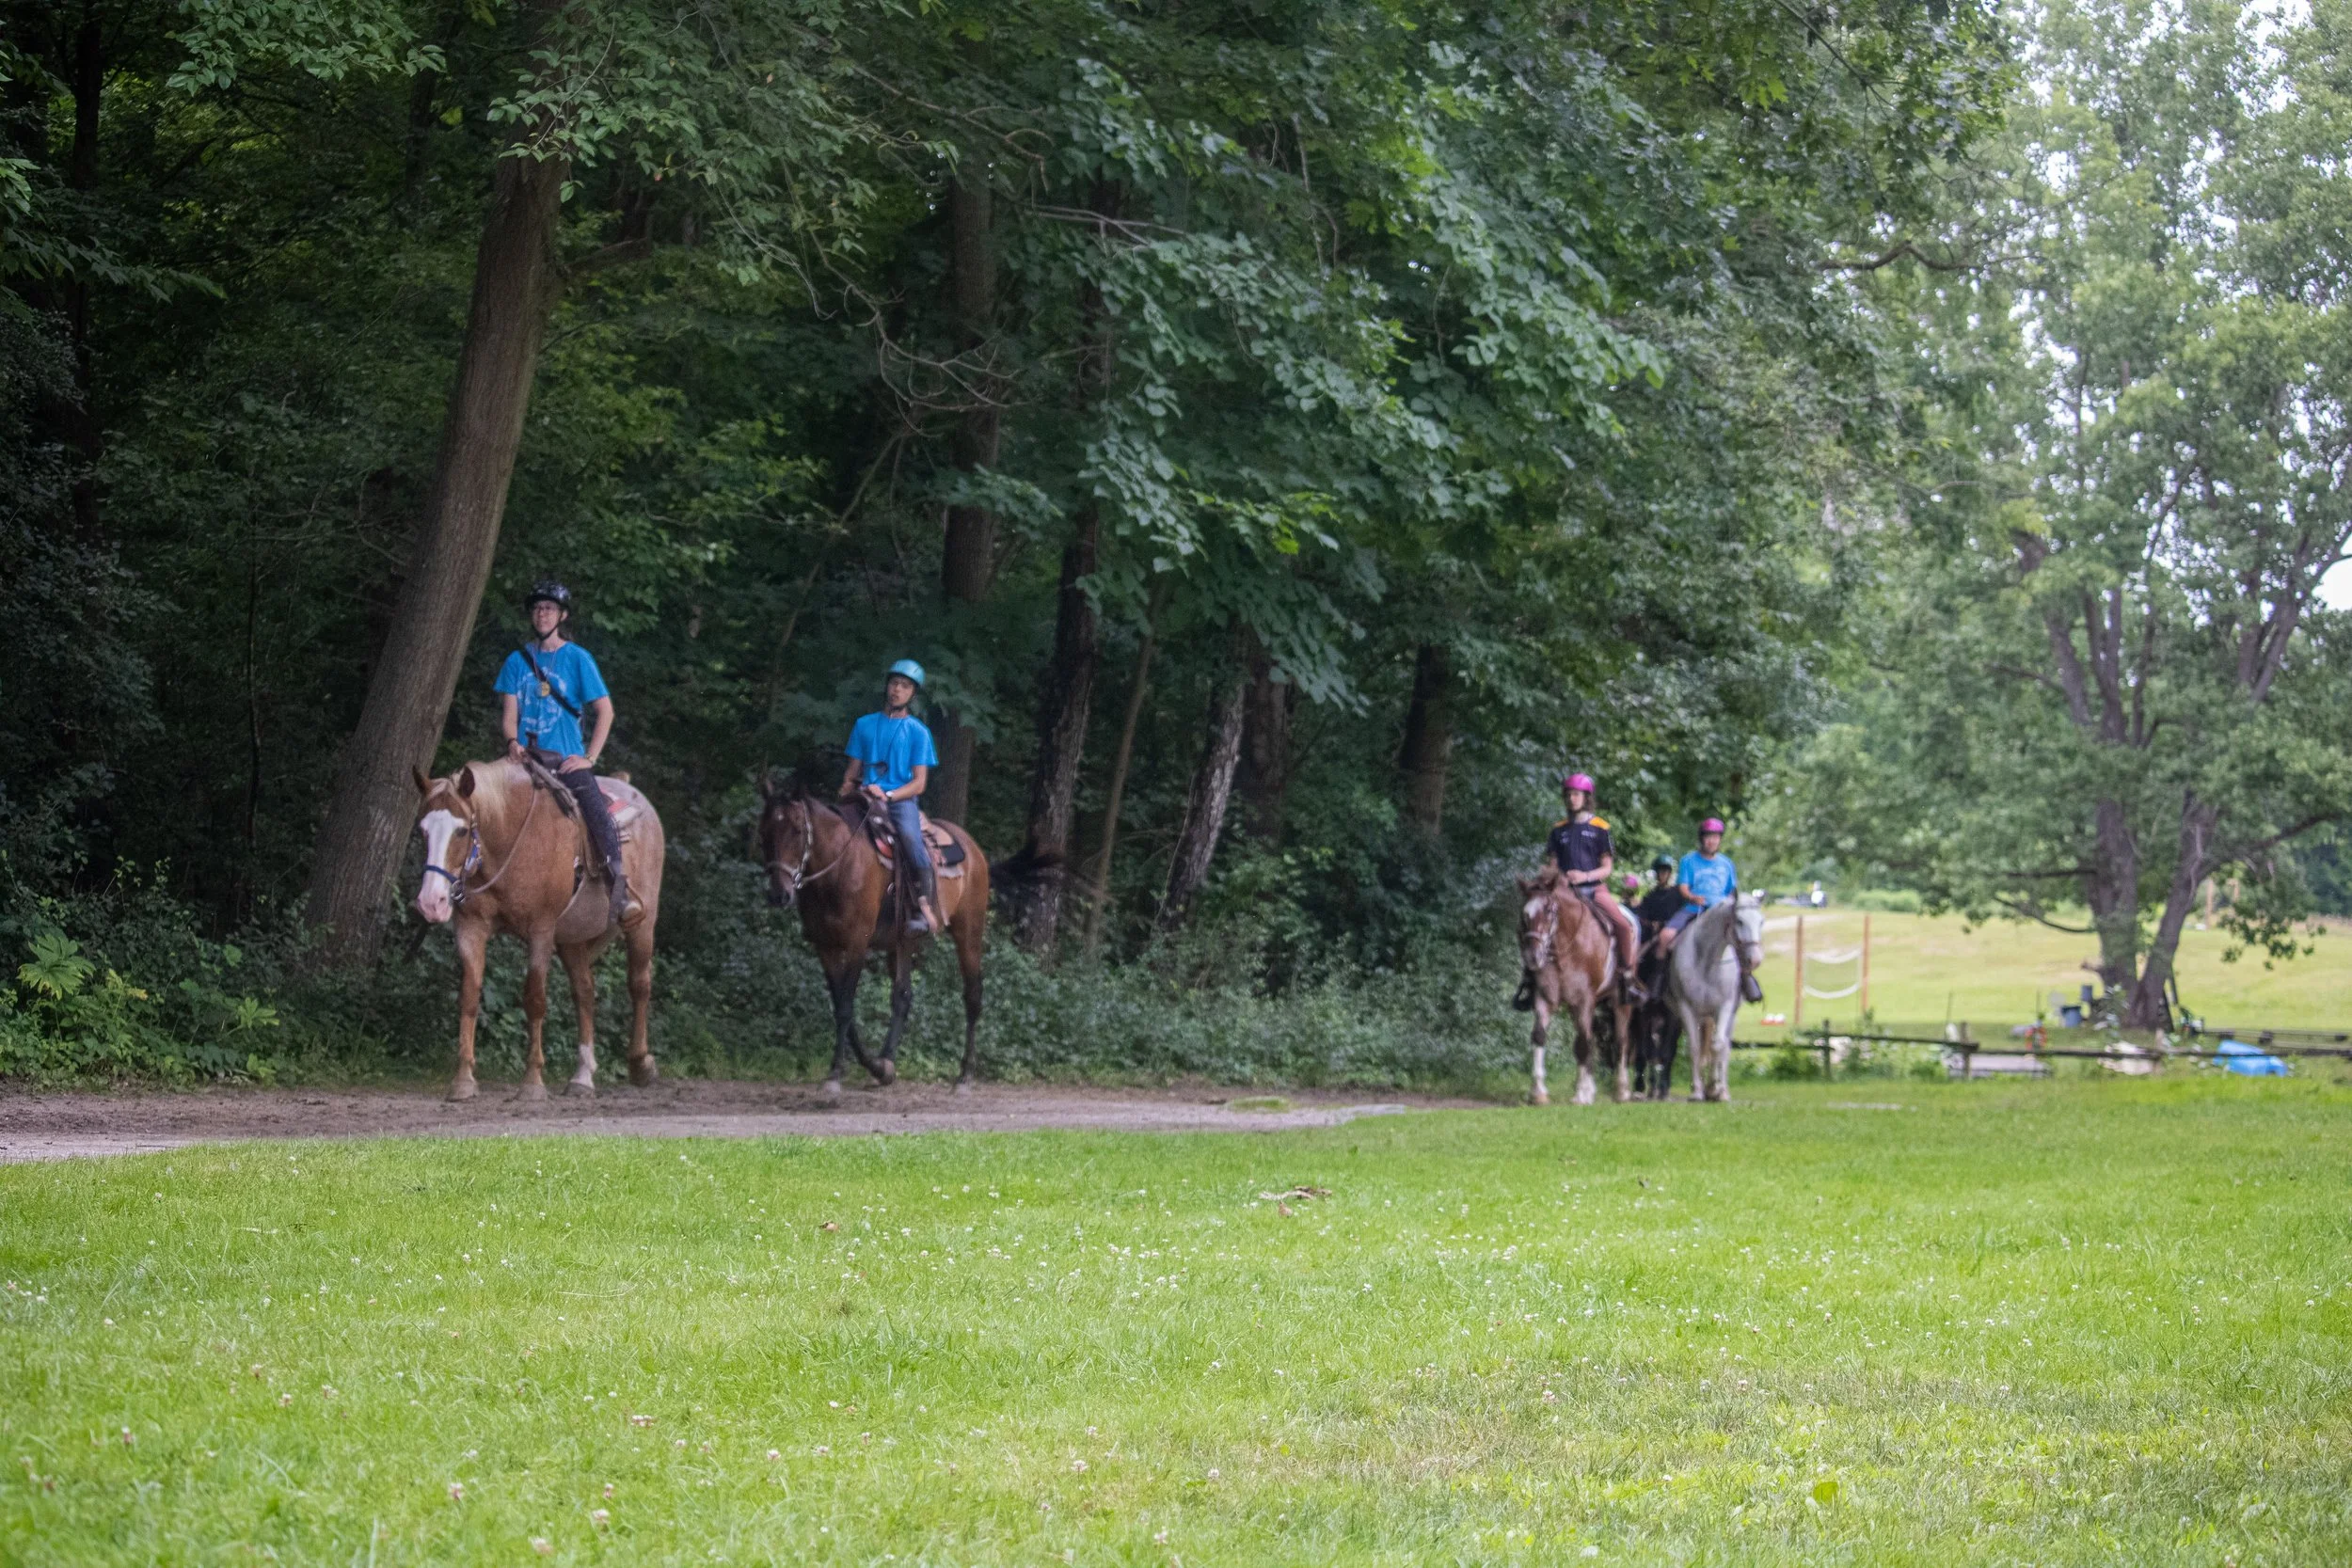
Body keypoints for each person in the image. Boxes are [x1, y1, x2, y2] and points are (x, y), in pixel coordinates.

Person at [495, 580, 636, 927]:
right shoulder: (516, 661)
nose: (543, 614)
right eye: (538, 609)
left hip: (565, 758)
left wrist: (589, 758)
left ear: (562, 615)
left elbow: (606, 712)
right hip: (524, 759)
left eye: (550, 609)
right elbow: (509, 717)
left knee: (592, 807)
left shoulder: (577, 658)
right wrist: (512, 742)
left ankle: (619, 888)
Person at [840, 659, 941, 934]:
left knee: (909, 837)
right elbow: (851, 773)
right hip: (863, 795)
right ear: (886, 686)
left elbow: (919, 784)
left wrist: (888, 794)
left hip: (899, 800)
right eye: (894, 683)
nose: (897, 690)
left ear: (912, 694)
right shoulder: (864, 725)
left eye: (905, 686)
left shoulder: (919, 733)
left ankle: (923, 905)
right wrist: (847, 788)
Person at [1543, 771, 1644, 1001]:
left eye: (1576, 794)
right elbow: (1552, 865)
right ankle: (1531, 979)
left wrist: (1585, 876)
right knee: (1537, 921)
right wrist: (1561, 878)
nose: (1571, 799)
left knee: (1623, 925)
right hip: (1564, 892)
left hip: (1594, 890)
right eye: (1568, 795)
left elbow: (1607, 867)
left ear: (1586, 797)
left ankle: (1627, 977)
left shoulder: (1600, 827)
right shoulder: (1558, 829)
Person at [1660, 816, 1761, 1001]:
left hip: (1721, 913)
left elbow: (1731, 891)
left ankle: (1746, 981)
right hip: (1694, 908)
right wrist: (1692, 897)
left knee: (1741, 940)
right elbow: (1683, 887)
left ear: (1720, 840)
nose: (1712, 841)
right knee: (1665, 936)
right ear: (1701, 839)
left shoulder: (1726, 864)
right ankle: (1660, 979)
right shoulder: (1688, 861)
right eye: (1708, 836)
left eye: (1715, 837)